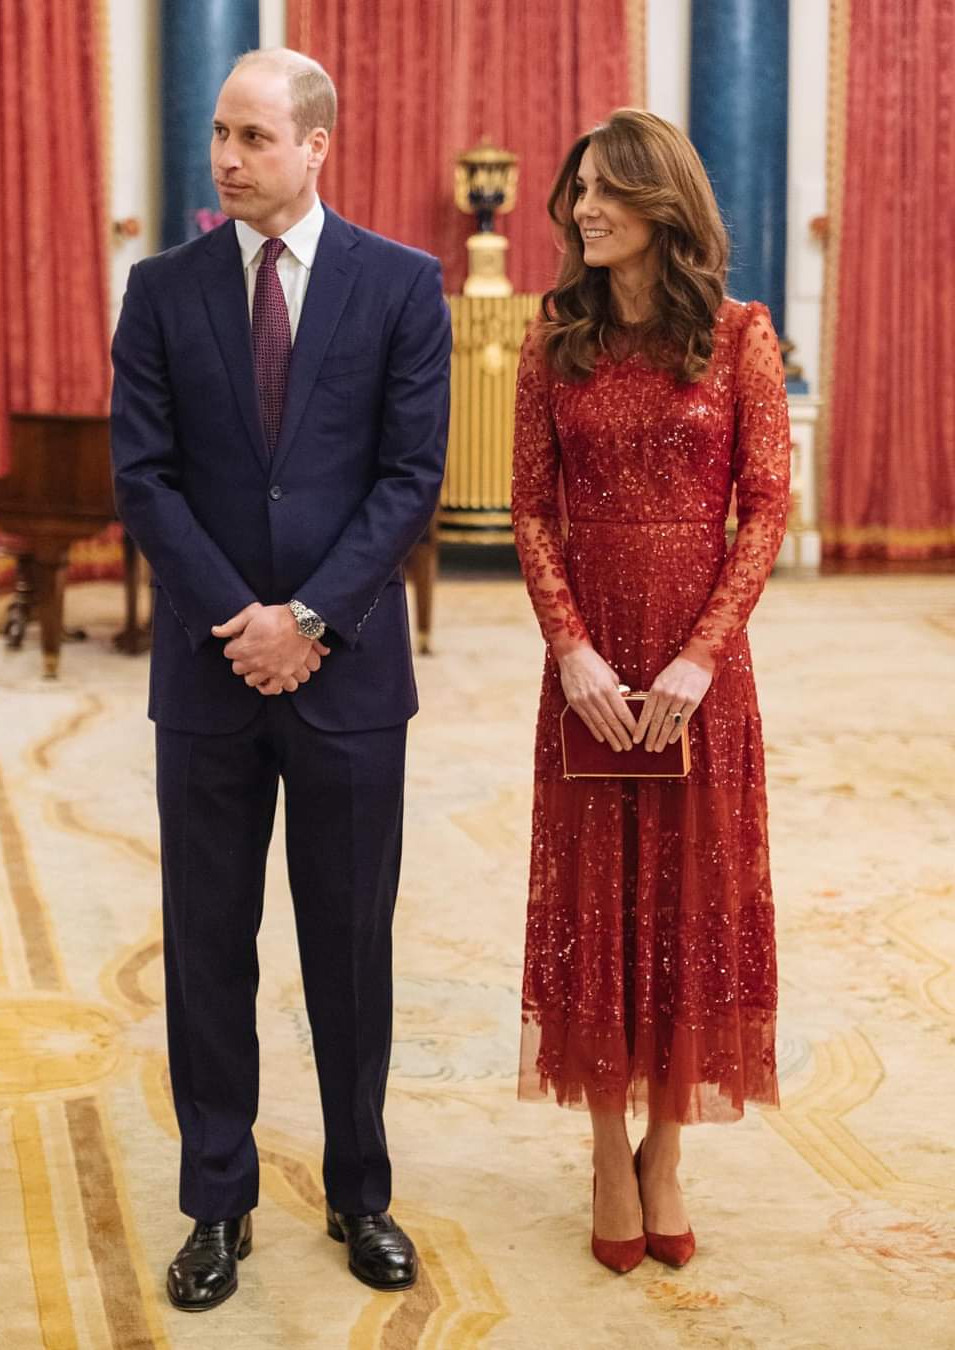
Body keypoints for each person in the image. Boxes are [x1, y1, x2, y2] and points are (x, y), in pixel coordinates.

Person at [110, 47, 451, 1311]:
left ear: (317, 145)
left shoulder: (403, 286)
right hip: (207, 680)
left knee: (350, 945)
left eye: (253, 137)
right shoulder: (161, 288)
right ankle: (217, 1204)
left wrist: (307, 617)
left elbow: (409, 476)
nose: (226, 159)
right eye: (218, 134)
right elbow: (143, 476)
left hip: (348, 675)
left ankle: (362, 1192)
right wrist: (237, 621)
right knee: (208, 947)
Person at [511, 109, 790, 1275]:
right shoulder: (552, 334)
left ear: (661, 204)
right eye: (578, 192)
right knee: (594, 903)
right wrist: (571, 650)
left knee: (687, 906)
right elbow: (530, 505)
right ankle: (602, 1146)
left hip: (696, 668)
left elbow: (766, 507)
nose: (585, 209)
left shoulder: (738, 338)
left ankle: (666, 1151)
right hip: (586, 660)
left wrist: (698, 655)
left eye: (608, 191)